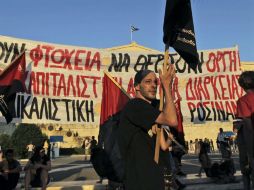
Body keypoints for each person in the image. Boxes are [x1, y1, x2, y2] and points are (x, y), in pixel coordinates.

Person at [117, 67, 178, 190]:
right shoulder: (135, 105)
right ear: (137, 86)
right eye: (148, 82)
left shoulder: (152, 108)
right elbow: (172, 120)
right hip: (140, 181)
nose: (154, 85)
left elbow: (168, 113)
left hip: (153, 178)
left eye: (156, 82)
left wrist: (167, 88)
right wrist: (166, 86)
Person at [235, 71, 254, 190]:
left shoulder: (243, 101)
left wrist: (250, 151)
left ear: (241, 85)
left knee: (246, 170)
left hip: (250, 144)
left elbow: (248, 126)